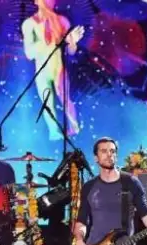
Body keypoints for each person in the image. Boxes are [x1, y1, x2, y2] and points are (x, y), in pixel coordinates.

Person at [22, 0, 85, 140]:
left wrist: (72, 42)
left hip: (58, 67)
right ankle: (54, 132)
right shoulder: (29, 24)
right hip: (42, 70)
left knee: (65, 97)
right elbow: (29, 53)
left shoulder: (62, 21)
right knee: (47, 102)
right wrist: (48, 42)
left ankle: (74, 128)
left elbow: (71, 51)